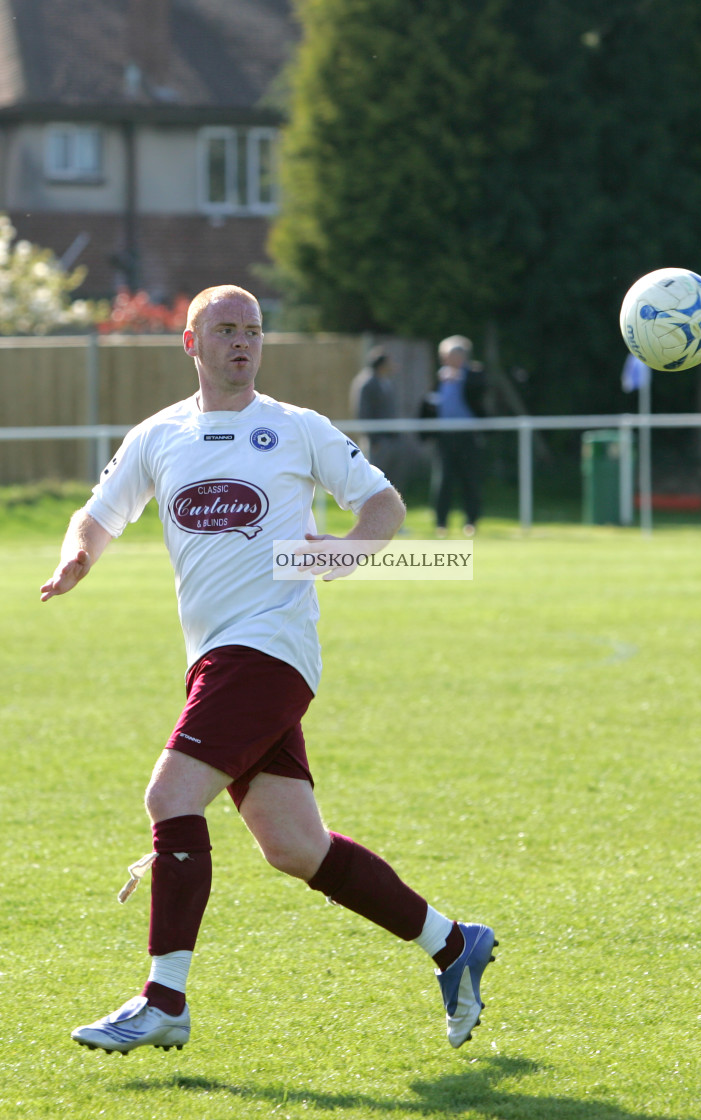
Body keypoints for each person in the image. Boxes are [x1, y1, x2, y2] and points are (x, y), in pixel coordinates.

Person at [40, 285, 495, 1055]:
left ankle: (164, 1000)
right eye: (226, 330)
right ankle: (454, 944)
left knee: (169, 795)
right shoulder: (159, 435)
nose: (242, 342)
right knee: (293, 845)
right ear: (192, 343)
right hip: (214, 659)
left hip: (270, 649)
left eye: (252, 330)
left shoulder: (295, 429)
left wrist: (347, 552)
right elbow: (100, 511)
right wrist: (78, 554)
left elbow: (384, 507)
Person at [430, 335, 486, 536]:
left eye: (455, 355)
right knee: (443, 480)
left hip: (467, 435)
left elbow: (481, 390)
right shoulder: (439, 377)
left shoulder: (474, 374)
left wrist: (462, 376)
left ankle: (471, 521)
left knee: (469, 479)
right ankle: (441, 524)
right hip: (445, 436)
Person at [348, 346, 399, 479]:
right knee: (373, 476)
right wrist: (373, 438)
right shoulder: (366, 383)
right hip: (376, 440)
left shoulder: (385, 381)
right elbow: (362, 412)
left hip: (388, 437)